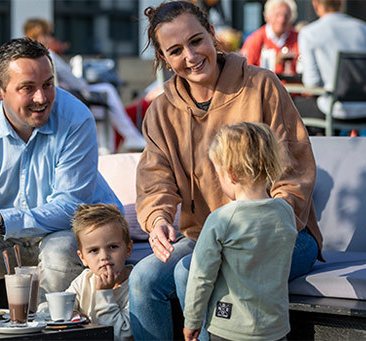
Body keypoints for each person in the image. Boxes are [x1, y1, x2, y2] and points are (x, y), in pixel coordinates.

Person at [129, 2, 322, 340]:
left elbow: (295, 168)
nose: (190, 55)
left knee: (193, 271)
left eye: (195, 41)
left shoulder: (261, 85)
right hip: (206, 234)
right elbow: (155, 178)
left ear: (212, 35)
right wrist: (158, 218)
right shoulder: (160, 111)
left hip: (282, 233)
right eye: (175, 50)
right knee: (144, 280)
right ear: (163, 59)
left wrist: (267, 223)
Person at [0, 38, 122, 303]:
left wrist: (4, 220)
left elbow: (72, 207)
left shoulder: (76, 118)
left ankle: (48, 329)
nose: (42, 98)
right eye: (28, 88)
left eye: (48, 84)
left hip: (69, 231)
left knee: (59, 251)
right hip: (7, 237)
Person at [183, 122, 297, 341]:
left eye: (218, 174)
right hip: (275, 328)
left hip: (230, 328)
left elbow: (201, 276)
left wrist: (192, 321)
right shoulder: (284, 211)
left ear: (231, 174)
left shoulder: (221, 219)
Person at [23, 18, 146, 152]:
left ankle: (121, 141)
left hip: (49, 102)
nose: (50, 38)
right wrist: (84, 82)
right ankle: (117, 143)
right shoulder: (48, 55)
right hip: (66, 100)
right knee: (106, 92)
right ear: (41, 35)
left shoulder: (27, 57)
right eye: (48, 34)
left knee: (102, 104)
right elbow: (75, 82)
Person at [67, 204, 134, 341]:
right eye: (94, 250)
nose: (104, 256)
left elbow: (119, 335)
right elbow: (54, 307)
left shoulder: (135, 285)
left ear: (128, 249)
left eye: (113, 247)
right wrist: (71, 314)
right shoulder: (84, 280)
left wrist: (104, 293)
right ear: (82, 257)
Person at [297, 0, 366, 122]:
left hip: (332, 110)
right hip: (363, 108)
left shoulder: (309, 33)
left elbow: (311, 83)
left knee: (292, 106)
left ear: (315, 4)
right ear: (342, 3)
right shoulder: (362, 29)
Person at [240, 0, 299, 75]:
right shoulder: (256, 39)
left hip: (294, 85)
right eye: (277, 15)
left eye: (286, 15)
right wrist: (276, 60)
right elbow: (246, 71)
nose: (282, 20)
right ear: (268, 16)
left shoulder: (298, 38)